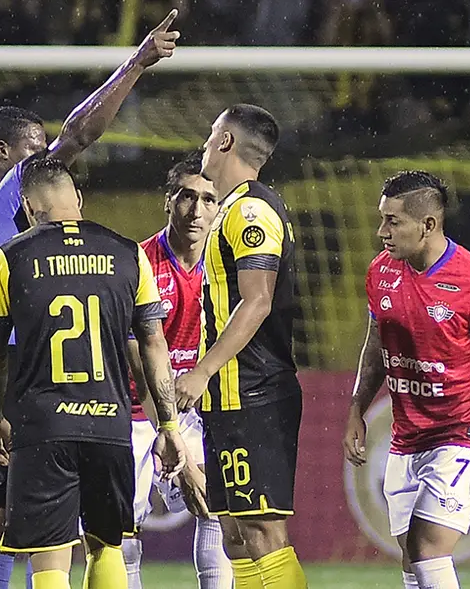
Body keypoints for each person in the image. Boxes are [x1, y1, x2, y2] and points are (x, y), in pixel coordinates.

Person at [0, 10, 180, 589]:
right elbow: (79, 134)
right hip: (36, 378)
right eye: (35, 152)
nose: (49, 161)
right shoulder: (9, 201)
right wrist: (136, 63)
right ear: (3, 154)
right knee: (65, 535)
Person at [0, 156, 188, 589]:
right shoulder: (129, 254)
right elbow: (153, 344)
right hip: (110, 425)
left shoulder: (10, 257)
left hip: (43, 426)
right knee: (106, 544)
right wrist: (167, 423)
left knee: (51, 557)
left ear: (29, 208)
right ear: (78, 198)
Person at [342, 171, 470, 589]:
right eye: (382, 218)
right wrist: (356, 408)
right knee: (412, 559)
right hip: (406, 437)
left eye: (393, 221)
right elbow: (375, 348)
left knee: (428, 549)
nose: (381, 231)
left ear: (428, 225)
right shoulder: (381, 272)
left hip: (462, 432)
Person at [174, 104, 307, 589]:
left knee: (262, 530)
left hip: (253, 392)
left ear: (227, 142)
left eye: (212, 135)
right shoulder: (231, 208)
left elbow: (258, 301)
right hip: (229, 398)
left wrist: (203, 370)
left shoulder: (251, 210)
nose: (206, 143)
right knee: (233, 532)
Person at [124, 153, 234, 589]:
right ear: (167, 202)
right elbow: (138, 362)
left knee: (215, 507)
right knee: (122, 533)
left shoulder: (226, 268)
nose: (197, 210)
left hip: (193, 408)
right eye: (187, 197)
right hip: (134, 410)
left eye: (209, 199)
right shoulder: (138, 264)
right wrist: (174, 444)